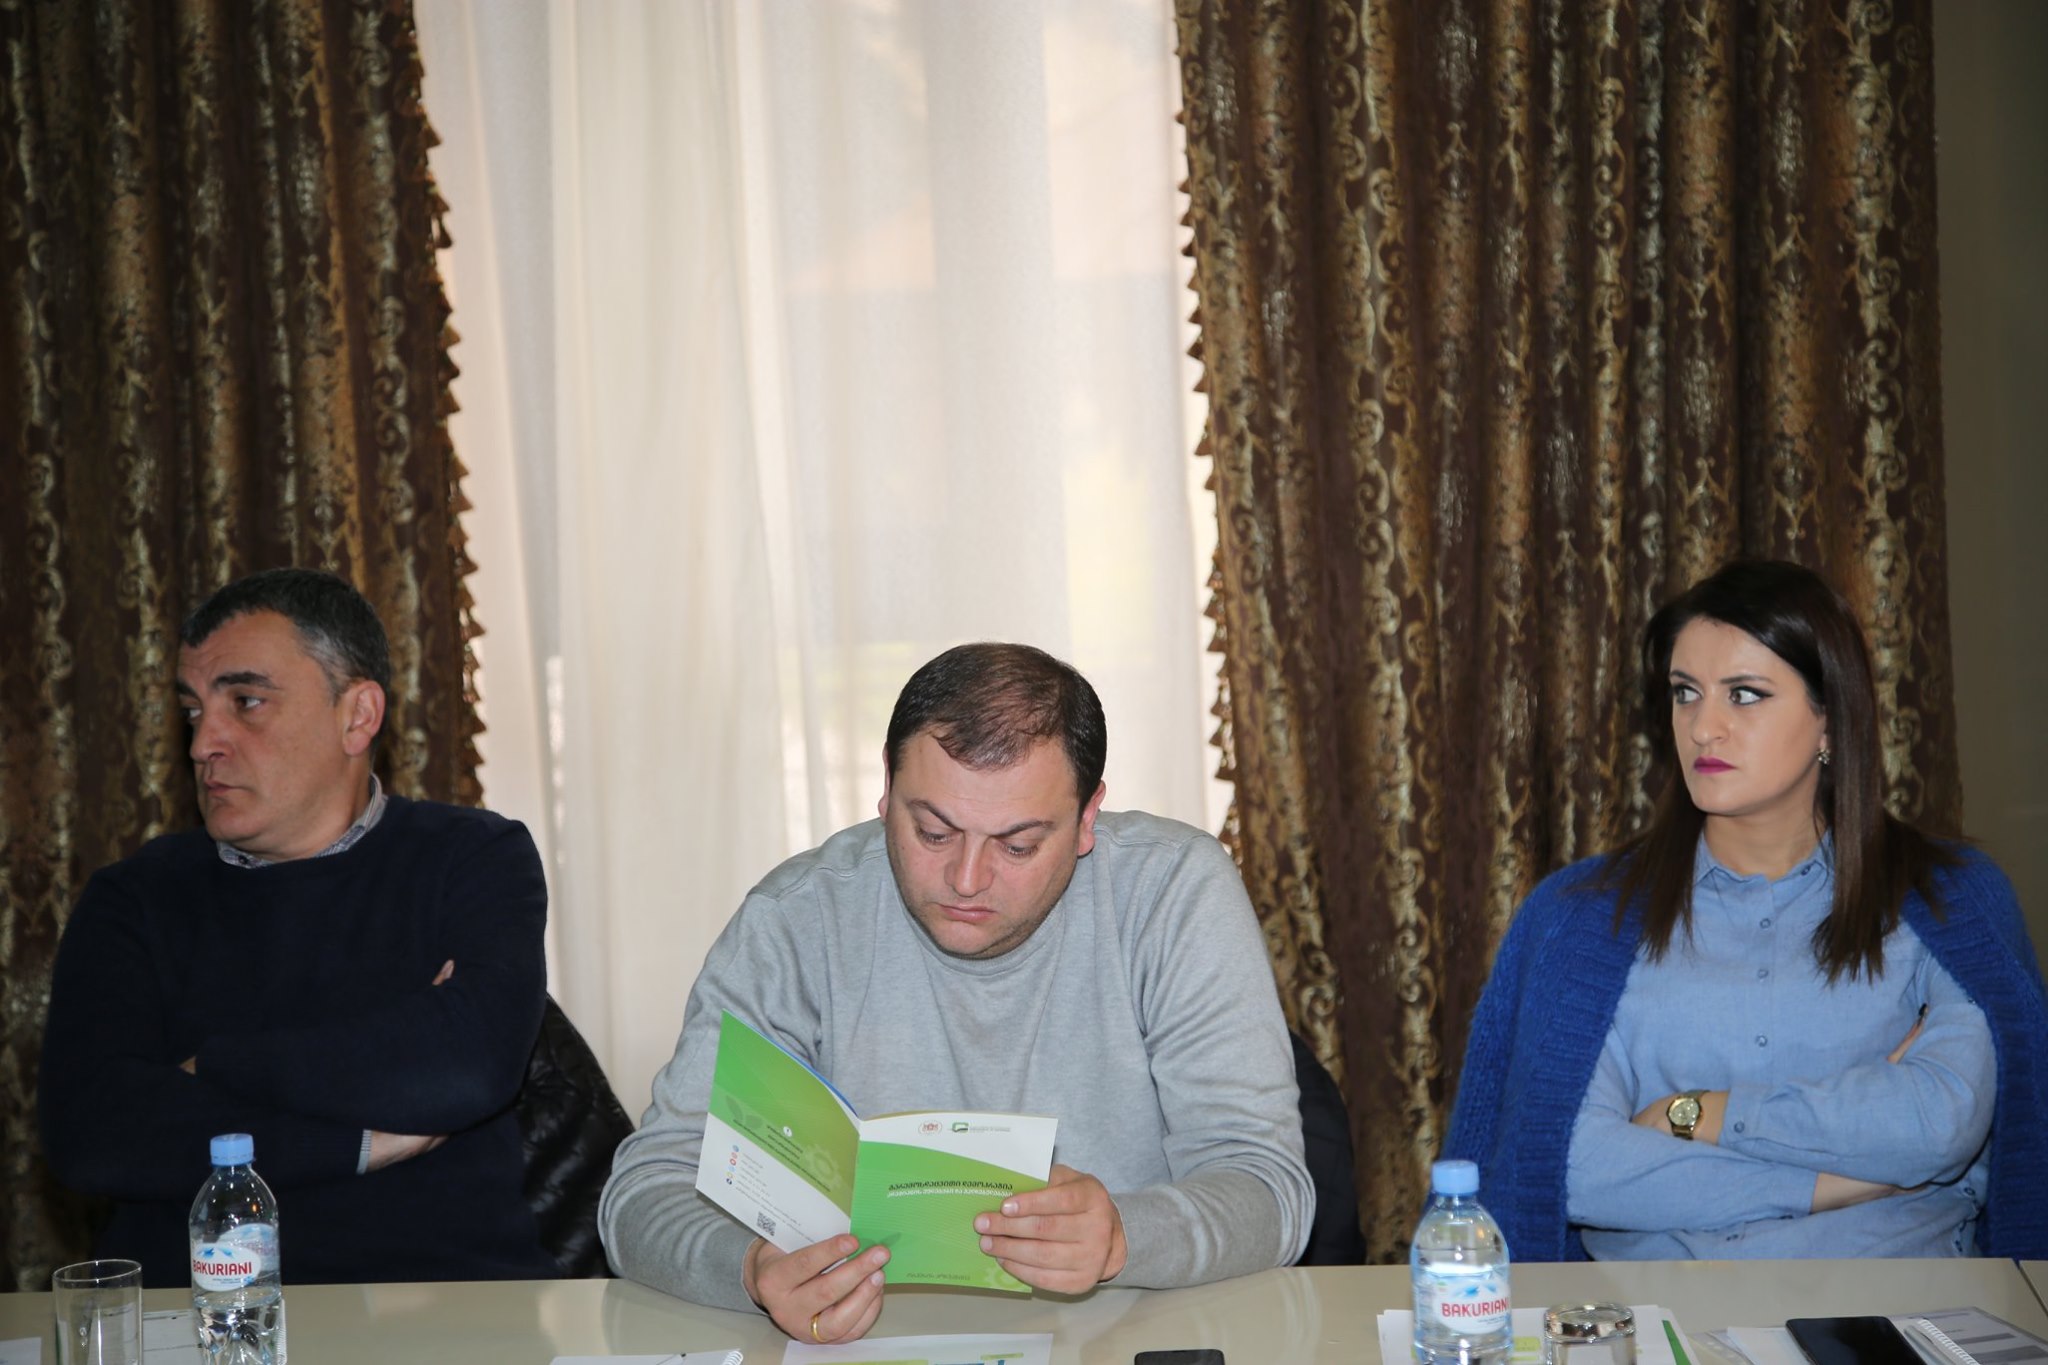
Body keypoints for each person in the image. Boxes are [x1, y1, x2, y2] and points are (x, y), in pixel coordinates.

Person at [600, 642, 1313, 1342]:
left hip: (1138, 1336)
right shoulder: (799, 919)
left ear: (1088, 818)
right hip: (864, 1347)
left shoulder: (1172, 895)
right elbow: (644, 1191)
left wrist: (1125, 1237)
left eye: (1017, 845)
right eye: (933, 831)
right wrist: (751, 1270)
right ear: (886, 787)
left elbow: (1270, 1187)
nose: (967, 880)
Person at [1445, 560, 2048, 1260]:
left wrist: (1698, 1113)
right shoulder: (1581, 918)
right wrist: (1840, 1182)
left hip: (1902, 1305)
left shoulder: (1953, 901)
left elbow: (1942, 1123)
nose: (1704, 727)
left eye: (1744, 694)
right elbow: (1573, 1165)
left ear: (1830, 719)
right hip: (1664, 1312)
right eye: (1686, 693)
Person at [39, 567, 557, 1286]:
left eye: (247, 702)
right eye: (193, 710)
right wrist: (358, 1142)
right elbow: (93, 1134)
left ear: (357, 715)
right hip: (201, 1312)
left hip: (445, 1298)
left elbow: (466, 1068)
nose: (203, 743)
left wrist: (213, 1066)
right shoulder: (133, 898)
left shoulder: (472, 857)